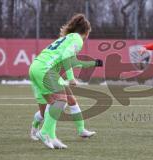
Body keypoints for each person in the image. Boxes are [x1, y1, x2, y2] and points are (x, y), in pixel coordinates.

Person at [29, 13, 103, 149]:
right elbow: (67, 57)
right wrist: (71, 78)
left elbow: (72, 61)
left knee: (64, 100)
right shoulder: (77, 39)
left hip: (36, 68)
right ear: (86, 32)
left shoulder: (68, 38)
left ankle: (54, 136)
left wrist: (93, 63)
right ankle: (44, 132)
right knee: (60, 101)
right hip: (45, 70)